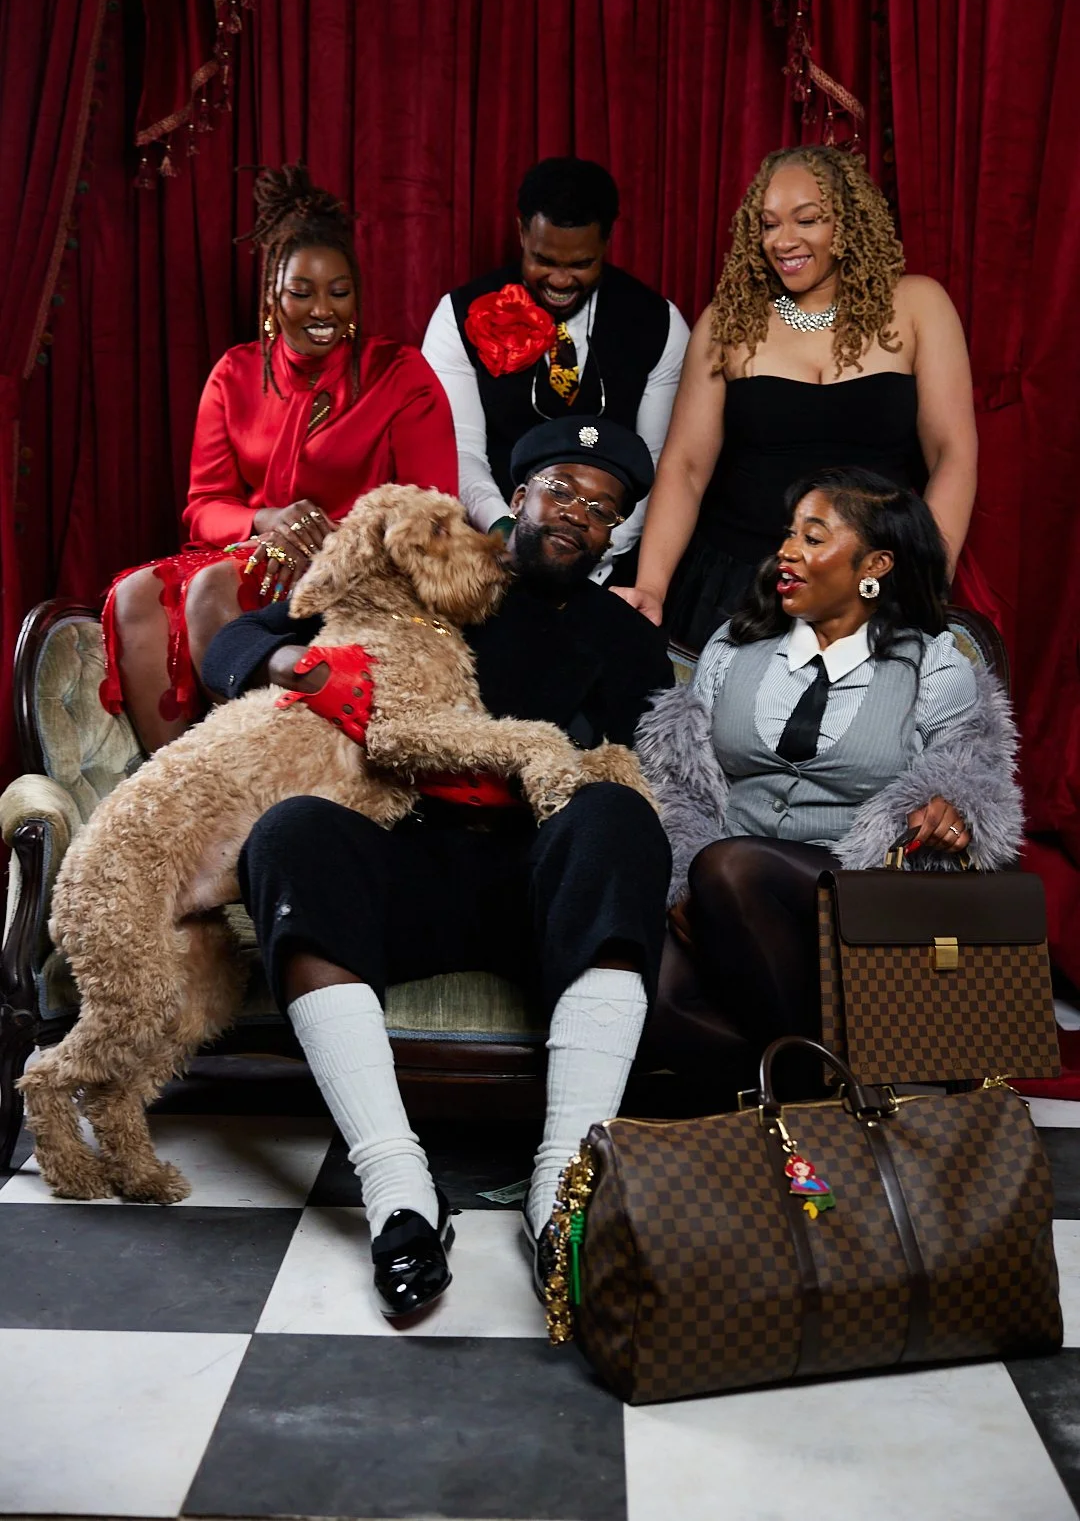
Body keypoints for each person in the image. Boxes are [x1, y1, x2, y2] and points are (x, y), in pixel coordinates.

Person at [200, 416, 674, 1317]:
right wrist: (287, 659)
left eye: (606, 510)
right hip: (407, 855)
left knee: (619, 811)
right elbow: (240, 638)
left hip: (537, 881)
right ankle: (400, 1189)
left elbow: (651, 768)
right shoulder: (427, 561)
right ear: (519, 495)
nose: (580, 515)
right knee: (291, 833)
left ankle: (563, 1190)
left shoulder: (623, 634)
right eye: (564, 490)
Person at [636, 467, 1022, 1062]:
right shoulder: (733, 647)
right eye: (789, 535)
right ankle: (831, 1087)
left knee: (733, 865)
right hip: (720, 878)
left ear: (875, 566)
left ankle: (819, 1091)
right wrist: (683, 877)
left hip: (854, 889)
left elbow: (974, 774)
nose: (788, 552)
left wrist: (955, 806)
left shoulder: (933, 666)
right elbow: (679, 782)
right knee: (659, 1003)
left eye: (814, 539)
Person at [102, 165, 457, 752]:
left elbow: (432, 509)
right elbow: (203, 507)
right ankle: (166, 772)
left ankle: (241, 767)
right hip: (257, 550)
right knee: (137, 592)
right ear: (273, 293)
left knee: (213, 585)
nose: (323, 310)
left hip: (356, 567)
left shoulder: (399, 376)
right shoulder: (236, 374)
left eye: (339, 292)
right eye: (303, 292)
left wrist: (338, 543)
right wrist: (264, 520)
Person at [615, 145, 979, 651]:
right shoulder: (728, 321)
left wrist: (925, 576)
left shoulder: (918, 305)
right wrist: (652, 586)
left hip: (870, 579)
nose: (783, 241)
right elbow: (686, 468)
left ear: (848, 223)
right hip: (739, 581)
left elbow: (952, 455)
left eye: (806, 220)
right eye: (768, 225)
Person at [421, 156, 690, 586]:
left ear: (607, 241)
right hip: (489, 557)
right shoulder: (456, 316)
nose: (561, 280)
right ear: (521, 231)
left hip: (609, 566)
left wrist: (592, 552)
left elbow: (657, 463)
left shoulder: (660, 322)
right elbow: (461, 451)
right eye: (544, 259)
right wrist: (506, 532)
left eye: (581, 264)